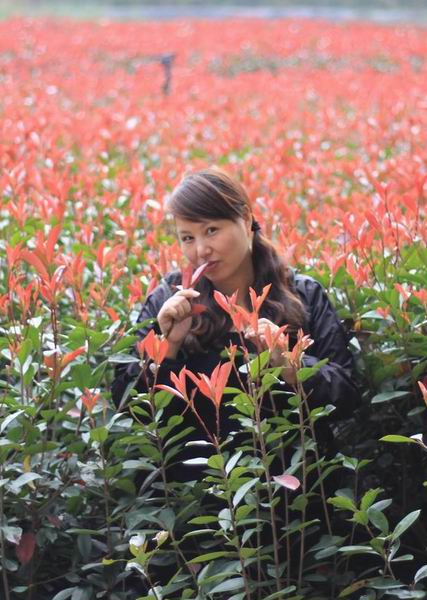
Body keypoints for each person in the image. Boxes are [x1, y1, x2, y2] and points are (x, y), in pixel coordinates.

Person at [111, 167, 359, 479]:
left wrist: (291, 364)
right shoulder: (170, 300)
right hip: (197, 496)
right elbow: (127, 406)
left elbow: (347, 394)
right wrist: (166, 346)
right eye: (188, 237)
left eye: (211, 230)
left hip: (297, 492)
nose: (201, 250)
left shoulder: (303, 294)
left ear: (245, 220)